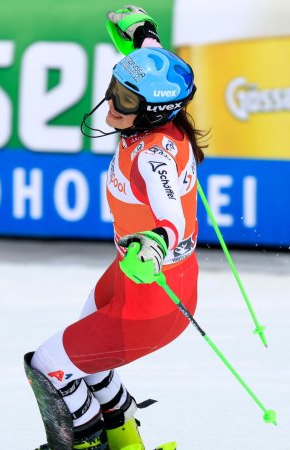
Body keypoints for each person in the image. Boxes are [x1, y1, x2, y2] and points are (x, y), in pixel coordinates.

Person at [24, 5, 206, 450]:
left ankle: (87, 444)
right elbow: (154, 62)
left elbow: (173, 217)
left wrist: (155, 245)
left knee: (49, 366)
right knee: (86, 360)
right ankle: (126, 442)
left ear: (153, 112)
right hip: (136, 279)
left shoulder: (153, 156)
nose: (112, 103)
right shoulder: (160, 116)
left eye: (125, 100)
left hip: (153, 295)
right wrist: (144, 34)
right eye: (114, 88)